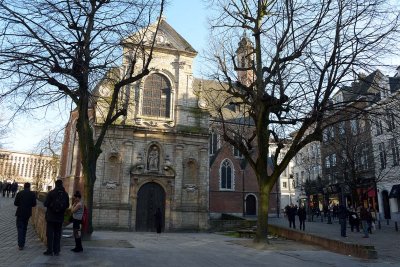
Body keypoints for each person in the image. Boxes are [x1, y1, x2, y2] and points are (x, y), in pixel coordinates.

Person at [43, 179, 69, 256]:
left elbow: (45, 204)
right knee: (58, 234)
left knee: (50, 234)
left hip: (51, 217)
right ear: (62, 184)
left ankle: (49, 250)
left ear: (55, 184)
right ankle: (56, 250)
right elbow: (67, 205)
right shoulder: (65, 194)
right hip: (60, 218)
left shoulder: (51, 193)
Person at [14, 182, 37, 250]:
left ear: (24, 186)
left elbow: (15, 203)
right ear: (29, 187)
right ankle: (22, 243)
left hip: (20, 212)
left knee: (20, 228)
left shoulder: (20, 193)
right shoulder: (32, 194)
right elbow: (34, 204)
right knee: (24, 228)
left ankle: (20, 244)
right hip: (27, 213)